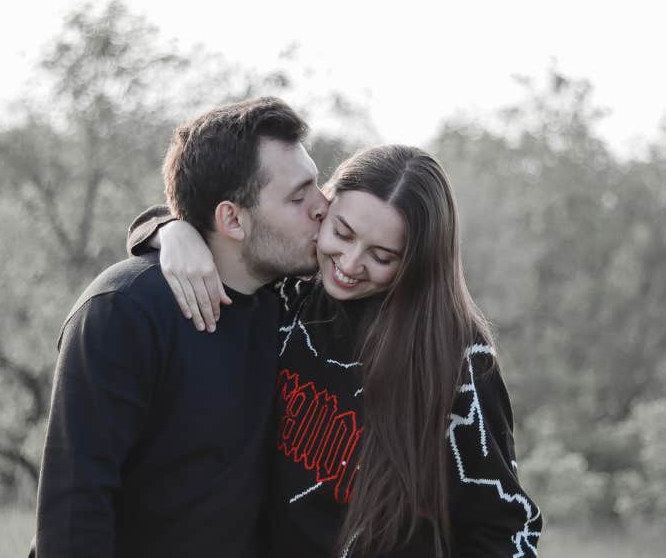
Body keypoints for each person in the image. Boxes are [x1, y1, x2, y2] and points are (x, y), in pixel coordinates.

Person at [132, 145, 542, 557]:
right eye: (342, 234)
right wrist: (170, 230)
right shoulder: (287, 292)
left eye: (382, 256)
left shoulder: (456, 357)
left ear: (417, 263)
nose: (349, 262)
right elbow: (229, 232)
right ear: (322, 209)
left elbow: (506, 528)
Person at [31, 96, 328, 557]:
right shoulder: (123, 310)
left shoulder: (294, 309)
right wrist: (167, 228)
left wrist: (164, 224)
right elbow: (75, 510)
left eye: (316, 185)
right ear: (232, 218)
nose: (322, 206)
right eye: (298, 196)